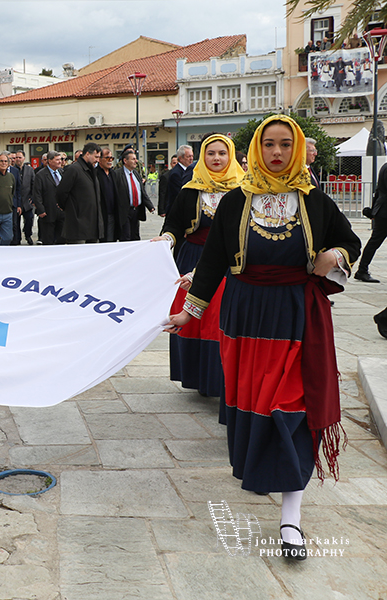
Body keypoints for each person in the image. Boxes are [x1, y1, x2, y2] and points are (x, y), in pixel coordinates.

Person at [165, 115, 361, 560]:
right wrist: (189, 313)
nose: (276, 152)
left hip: (297, 317)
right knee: (255, 406)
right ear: (256, 149)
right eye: (269, 144)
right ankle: (263, 470)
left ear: (297, 149)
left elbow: (350, 242)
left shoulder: (314, 200)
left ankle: (291, 518)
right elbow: (213, 261)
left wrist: (334, 254)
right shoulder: (236, 200)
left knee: (292, 406)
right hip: (246, 318)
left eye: (285, 145)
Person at [153, 134, 245, 398]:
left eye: (222, 153)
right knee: (194, 320)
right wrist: (167, 239)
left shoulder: (244, 191)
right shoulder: (190, 190)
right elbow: (174, 224)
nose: (216, 158)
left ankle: (221, 379)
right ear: (202, 157)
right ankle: (198, 377)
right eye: (210, 153)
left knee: (220, 319)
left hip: (228, 263)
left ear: (231, 156)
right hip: (192, 257)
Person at [56, 143, 103, 244]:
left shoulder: (92, 170)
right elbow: (61, 192)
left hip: (92, 225)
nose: (98, 160)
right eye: (96, 157)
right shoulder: (74, 169)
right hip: (77, 225)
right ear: (87, 154)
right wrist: (70, 209)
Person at [113, 147, 154, 240]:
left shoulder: (136, 174)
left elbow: (142, 191)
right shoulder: (117, 174)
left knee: (135, 236)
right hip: (124, 211)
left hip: (136, 211)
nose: (136, 161)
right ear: (125, 161)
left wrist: (150, 206)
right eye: (133, 159)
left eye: (136, 159)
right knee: (126, 237)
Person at [356, 160, 387, 283]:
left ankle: (362, 270)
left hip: (382, 211)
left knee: (374, 242)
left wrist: (374, 210)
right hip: (384, 212)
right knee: (374, 242)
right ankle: (362, 270)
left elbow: (378, 191)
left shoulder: (385, 166)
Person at [31, 150, 65, 245]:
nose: (60, 161)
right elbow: (37, 194)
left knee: (61, 239)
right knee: (48, 240)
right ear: (50, 161)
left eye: (61, 159)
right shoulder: (41, 175)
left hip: (61, 212)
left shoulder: (62, 172)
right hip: (48, 212)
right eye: (57, 159)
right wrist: (41, 210)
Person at [96, 147, 129, 242]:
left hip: (114, 214)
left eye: (111, 158)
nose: (110, 160)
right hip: (102, 215)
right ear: (100, 159)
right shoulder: (96, 174)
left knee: (113, 240)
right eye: (107, 158)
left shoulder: (113, 173)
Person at [12, 151, 35, 245]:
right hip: (16, 201)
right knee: (15, 222)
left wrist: (32, 197)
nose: (18, 159)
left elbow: (33, 184)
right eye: (16, 157)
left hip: (27, 201)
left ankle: (28, 235)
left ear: (24, 158)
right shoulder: (12, 170)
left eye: (20, 157)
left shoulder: (30, 170)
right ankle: (17, 238)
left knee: (29, 219)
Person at [166, 145, 194, 214]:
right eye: (188, 156)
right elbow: (180, 194)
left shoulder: (190, 170)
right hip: (178, 211)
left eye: (192, 156)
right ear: (180, 158)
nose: (191, 159)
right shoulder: (176, 173)